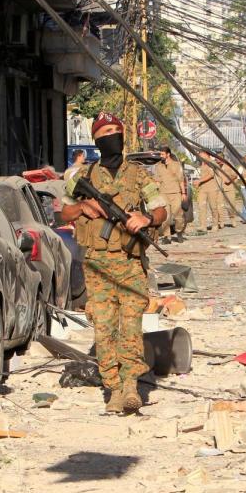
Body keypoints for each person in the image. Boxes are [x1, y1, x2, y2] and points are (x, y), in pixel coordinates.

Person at [61, 112, 168, 414]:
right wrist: (84, 206)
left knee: (131, 325)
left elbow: (161, 208)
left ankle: (132, 386)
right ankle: (114, 389)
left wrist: (145, 218)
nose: (112, 135)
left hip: (131, 262)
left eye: (116, 130)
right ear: (96, 139)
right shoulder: (83, 177)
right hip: (97, 265)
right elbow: (64, 214)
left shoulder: (138, 174)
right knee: (104, 328)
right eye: (105, 131)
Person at [154, 145, 187, 243]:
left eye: (162, 154)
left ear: (168, 154)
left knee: (178, 215)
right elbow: (157, 181)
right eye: (160, 154)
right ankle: (166, 236)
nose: (161, 156)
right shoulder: (158, 166)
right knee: (165, 216)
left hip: (175, 193)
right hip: (163, 193)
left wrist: (183, 193)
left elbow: (181, 180)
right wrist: (156, 193)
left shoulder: (177, 165)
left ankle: (179, 232)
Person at [195, 151, 225, 232]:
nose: (199, 155)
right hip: (203, 189)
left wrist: (199, 181)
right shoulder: (202, 163)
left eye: (201, 154)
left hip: (212, 188)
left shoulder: (212, 162)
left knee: (213, 207)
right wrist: (198, 183)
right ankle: (202, 225)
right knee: (201, 206)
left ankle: (215, 225)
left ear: (206, 154)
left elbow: (211, 175)